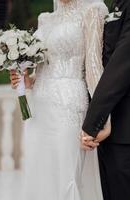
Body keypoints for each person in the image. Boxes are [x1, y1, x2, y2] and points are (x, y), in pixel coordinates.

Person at [10, 0, 109, 199]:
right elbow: (44, 69)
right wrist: (26, 81)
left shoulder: (92, 10)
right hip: (40, 109)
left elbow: (94, 68)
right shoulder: (45, 19)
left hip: (69, 105)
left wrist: (104, 118)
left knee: (66, 178)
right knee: (41, 176)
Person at [81, 0, 130, 200]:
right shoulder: (112, 4)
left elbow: (122, 63)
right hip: (110, 131)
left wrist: (93, 122)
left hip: (124, 129)